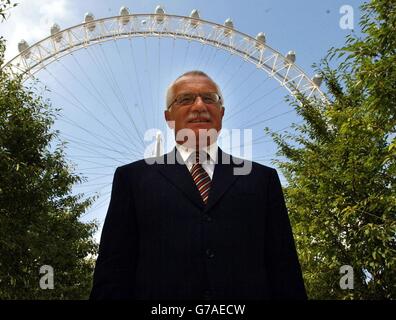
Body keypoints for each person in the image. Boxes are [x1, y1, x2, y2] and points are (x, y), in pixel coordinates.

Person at [90, 70, 307, 300]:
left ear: (221, 113)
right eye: (185, 99)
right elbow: (113, 273)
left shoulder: (263, 179)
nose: (199, 106)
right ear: (168, 117)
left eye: (210, 98)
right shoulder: (132, 178)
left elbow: (285, 271)